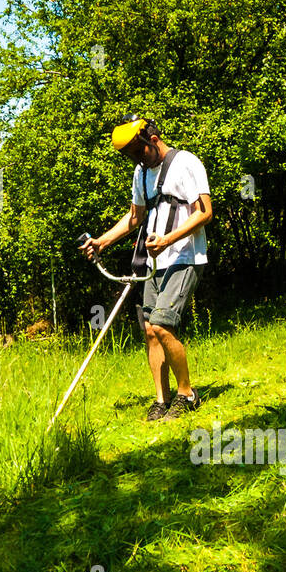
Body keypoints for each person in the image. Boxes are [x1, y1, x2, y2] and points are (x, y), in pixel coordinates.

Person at [82, 116, 212, 421]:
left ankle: (187, 394)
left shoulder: (185, 163)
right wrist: (102, 242)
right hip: (154, 262)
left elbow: (204, 212)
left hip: (184, 256)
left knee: (163, 326)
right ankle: (161, 399)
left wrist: (168, 239)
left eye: (137, 152)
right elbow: (134, 218)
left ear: (152, 140)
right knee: (150, 332)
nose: (135, 160)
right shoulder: (141, 174)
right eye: (128, 156)